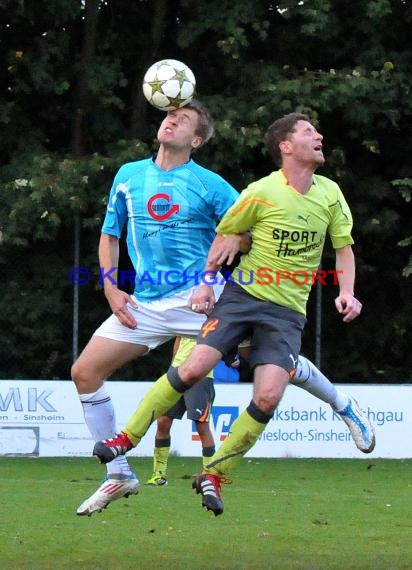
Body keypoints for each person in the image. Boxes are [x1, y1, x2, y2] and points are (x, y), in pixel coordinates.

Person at [94, 112, 374, 516]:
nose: (319, 136)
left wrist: (347, 291)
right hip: (241, 297)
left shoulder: (330, 194)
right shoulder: (260, 192)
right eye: (309, 132)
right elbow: (226, 233)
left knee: (269, 394)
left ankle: (216, 474)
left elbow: (343, 247)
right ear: (285, 146)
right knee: (193, 367)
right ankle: (125, 439)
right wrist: (207, 283)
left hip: (286, 313)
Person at [72, 100, 243, 516]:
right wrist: (112, 289)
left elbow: (246, 232)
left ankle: (343, 406)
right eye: (169, 115)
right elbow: (109, 236)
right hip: (144, 303)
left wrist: (217, 273)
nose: (171, 121)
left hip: (200, 301)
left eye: (182, 120)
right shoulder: (128, 175)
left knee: (277, 358)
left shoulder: (212, 185)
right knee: (85, 372)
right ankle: (118, 474)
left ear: (197, 140)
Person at [146, 337, 216, 487]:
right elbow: (178, 337)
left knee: (201, 425)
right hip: (177, 371)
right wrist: (174, 365)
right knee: (163, 421)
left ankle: (210, 475)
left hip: (201, 376)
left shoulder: (215, 317)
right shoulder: (187, 313)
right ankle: (159, 474)